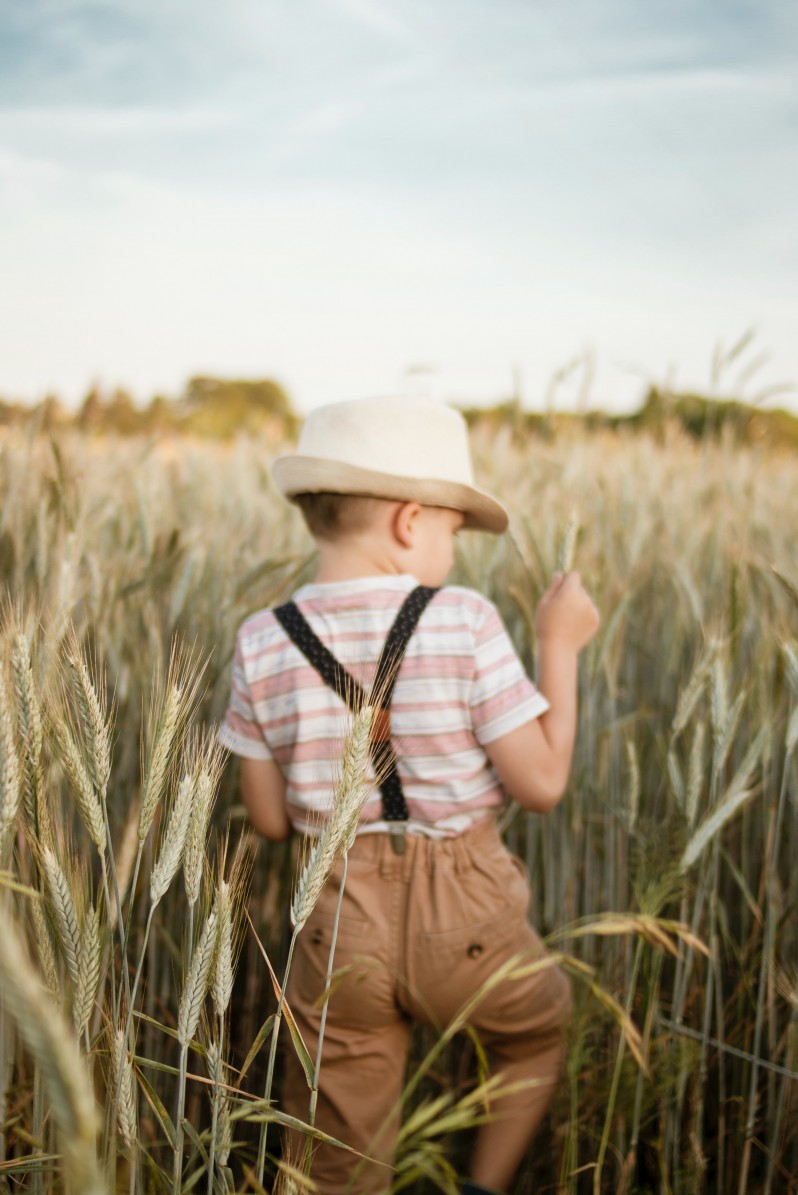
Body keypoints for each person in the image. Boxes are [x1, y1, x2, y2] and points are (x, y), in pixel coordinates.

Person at [219, 395, 599, 1194]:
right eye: (453, 532)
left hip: (336, 917)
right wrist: (557, 646)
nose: (452, 550)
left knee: (338, 1148)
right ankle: (480, 1189)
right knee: (535, 1036)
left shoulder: (261, 638)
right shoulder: (463, 619)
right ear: (409, 521)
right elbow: (544, 785)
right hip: (467, 912)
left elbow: (267, 820)